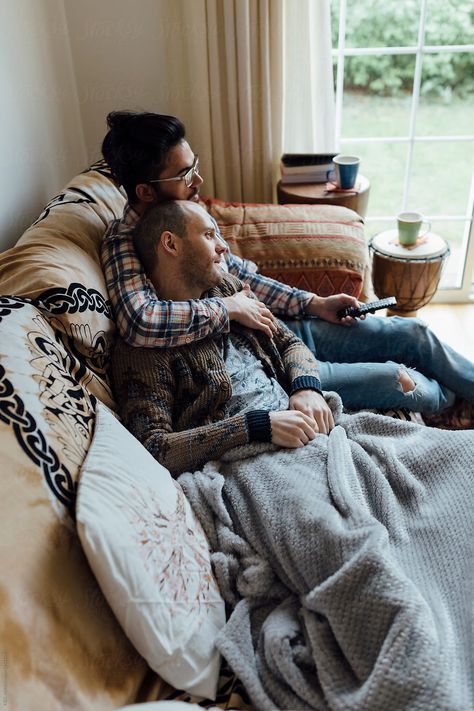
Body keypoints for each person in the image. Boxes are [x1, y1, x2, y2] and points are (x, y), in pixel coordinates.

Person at [111, 200, 474, 711]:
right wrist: (256, 426)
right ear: (170, 244)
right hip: (256, 466)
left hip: (322, 431)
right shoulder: (141, 351)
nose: (222, 245)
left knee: (459, 460)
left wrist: (303, 387)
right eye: (210, 233)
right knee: (360, 560)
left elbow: (285, 342)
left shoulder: (224, 295)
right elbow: (154, 447)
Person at [101, 110, 474, 426]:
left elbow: (242, 277)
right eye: (184, 174)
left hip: (283, 332)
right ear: (146, 191)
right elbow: (140, 320)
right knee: (405, 381)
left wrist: (314, 303)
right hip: (265, 363)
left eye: (194, 166)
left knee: (414, 333)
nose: (197, 180)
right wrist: (231, 308)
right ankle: (455, 404)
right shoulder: (125, 245)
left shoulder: (190, 214)